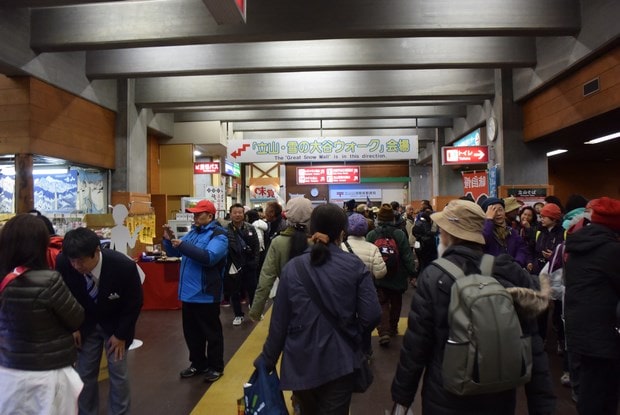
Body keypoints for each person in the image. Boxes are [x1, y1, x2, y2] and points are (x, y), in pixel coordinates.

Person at [391, 199, 555, 415]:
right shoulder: (507, 270)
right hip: (499, 396)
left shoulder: (434, 276)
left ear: (447, 234)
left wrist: (402, 400)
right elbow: (533, 348)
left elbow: (415, 347)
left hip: (447, 395)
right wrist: (543, 407)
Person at [255, 203, 381, 414]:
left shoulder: (293, 268)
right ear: (342, 233)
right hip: (340, 360)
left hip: (300, 360)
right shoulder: (353, 265)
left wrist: (267, 360)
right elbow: (371, 315)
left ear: (311, 229)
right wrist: (353, 335)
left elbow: (279, 322)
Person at [0, 214, 85, 415]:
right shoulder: (49, 280)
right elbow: (76, 317)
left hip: (8, 369)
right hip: (48, 372)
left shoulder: (4, 278)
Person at [55, 227, 143, 415]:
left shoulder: (123, 266)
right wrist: (72, 326)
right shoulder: (63, 263)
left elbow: (134, 303)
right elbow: (63, 297)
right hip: (84, 324)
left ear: (96, 251)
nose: (77, 266)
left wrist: (120, 335)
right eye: (73, 261)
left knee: (118, 373)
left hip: (115, 324)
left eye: (81, 260)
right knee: (84, 374)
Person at [564, 196, 620, 415]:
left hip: (580, 327)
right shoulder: (612, 251)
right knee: (604, 392)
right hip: (605, 331)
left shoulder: (579, 244)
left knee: (590, 386)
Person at [162, 199, 228, 382]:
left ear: (210, 215)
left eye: (199, 214)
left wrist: (181, 245)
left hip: (206, 294)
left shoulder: (219, 235)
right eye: (194, 213)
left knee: (212, 333)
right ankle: (198, 363)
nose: (195, 216)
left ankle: (215, 366)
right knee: (192, 334)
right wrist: (168, 241)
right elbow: (175, 253)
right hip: (188, 294)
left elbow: (208, 257)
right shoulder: (193, 234)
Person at [248, 197, 313, 322]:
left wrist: (256, 310)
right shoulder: (318, 242)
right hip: (313, 303)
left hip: (285, 300)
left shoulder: (278, 242)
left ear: (287, 214)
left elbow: (266, 277)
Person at [366, 204, 417, 346]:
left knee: (382, 302)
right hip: (397, 275)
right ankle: (393, 327)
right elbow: (407, 256)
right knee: (396, 302)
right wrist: (413, 272)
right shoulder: (399, 234)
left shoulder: (372, 235)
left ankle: (384, 331)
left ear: (379, 218)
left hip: (379, 276)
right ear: (392, 218)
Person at [225, 203, 260, 326]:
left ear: (243, 214)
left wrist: (255, 262)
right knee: (235, 292)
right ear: (230, 214)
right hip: (234, 265)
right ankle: (238, 315)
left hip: (249, 265)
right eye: (235, 212)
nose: (238, 215)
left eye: (240, 212)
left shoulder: (250, 228)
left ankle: (255, 311)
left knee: (252, 289)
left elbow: (256, 247)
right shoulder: (226, 230)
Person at [481, 197, 532, 270]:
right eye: (494, 211)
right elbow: (484, 240)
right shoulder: (483, 230)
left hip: (511, 272)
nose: (498, 214)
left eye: (500, 210)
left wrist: (517, 263)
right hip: (491, 273)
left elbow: (522, 249)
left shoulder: (511, 231)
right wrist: (488, 220)